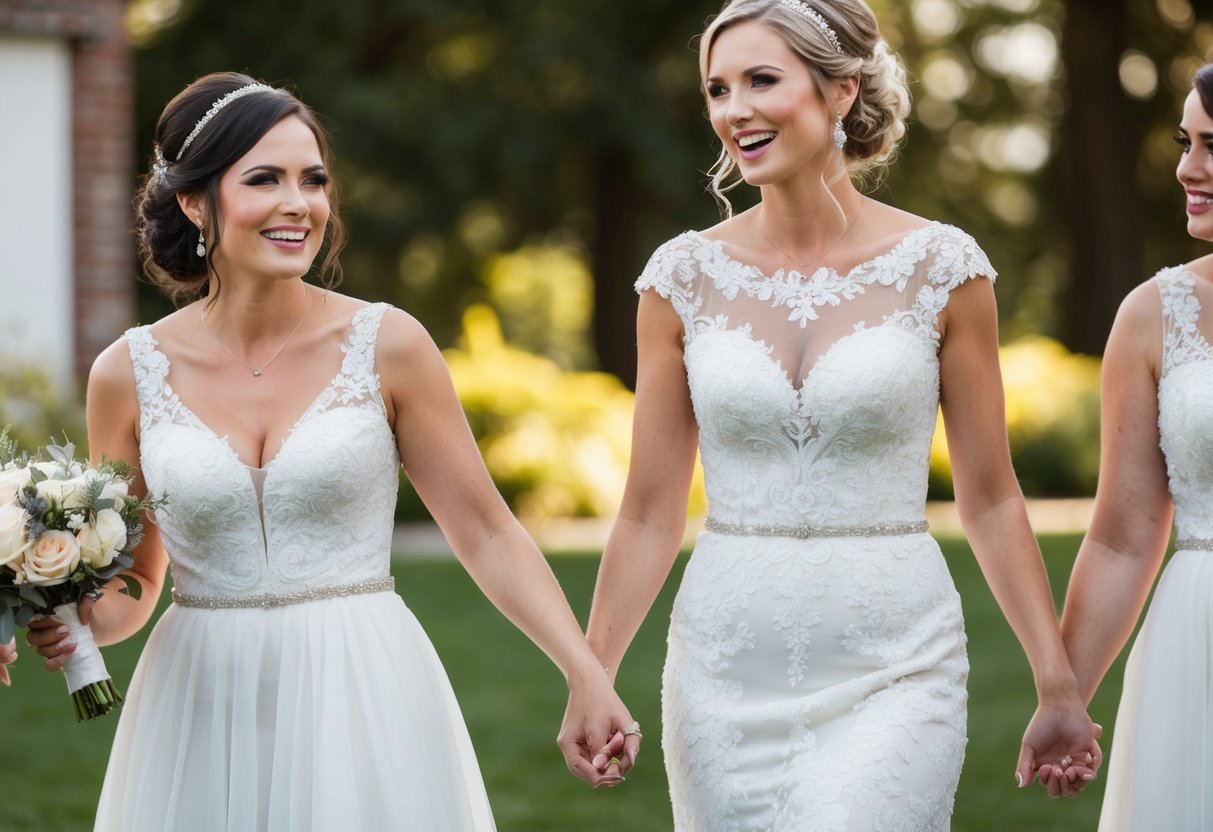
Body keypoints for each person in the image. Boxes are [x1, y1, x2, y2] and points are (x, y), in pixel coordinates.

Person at [23, 71, 638, 831]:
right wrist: (69, 611)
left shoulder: (389, 344)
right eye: (264, 179)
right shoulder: (127, 372)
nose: (299, 203)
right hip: (198, 701)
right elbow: (139, 582)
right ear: (194, 203)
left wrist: (585, 672)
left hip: (363, 686)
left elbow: (486, 531)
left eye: (312, 180)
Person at [567, 0, 1102, 827]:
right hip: (722, 667)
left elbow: (991, 496)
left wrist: (1056, 682)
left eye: (761, 80)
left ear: (842, 90)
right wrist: (591, 673)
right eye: (717, 89)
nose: (734, 109)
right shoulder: (680, 279)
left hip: (895, 661)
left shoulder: (942, 268)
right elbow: (646, 510)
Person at [1052, 63, 1213, 830]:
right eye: (1186, 142)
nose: (1187, 167)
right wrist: (1064, 697)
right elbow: (1120, 537)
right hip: (1197, 639)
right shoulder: (1154, 315)